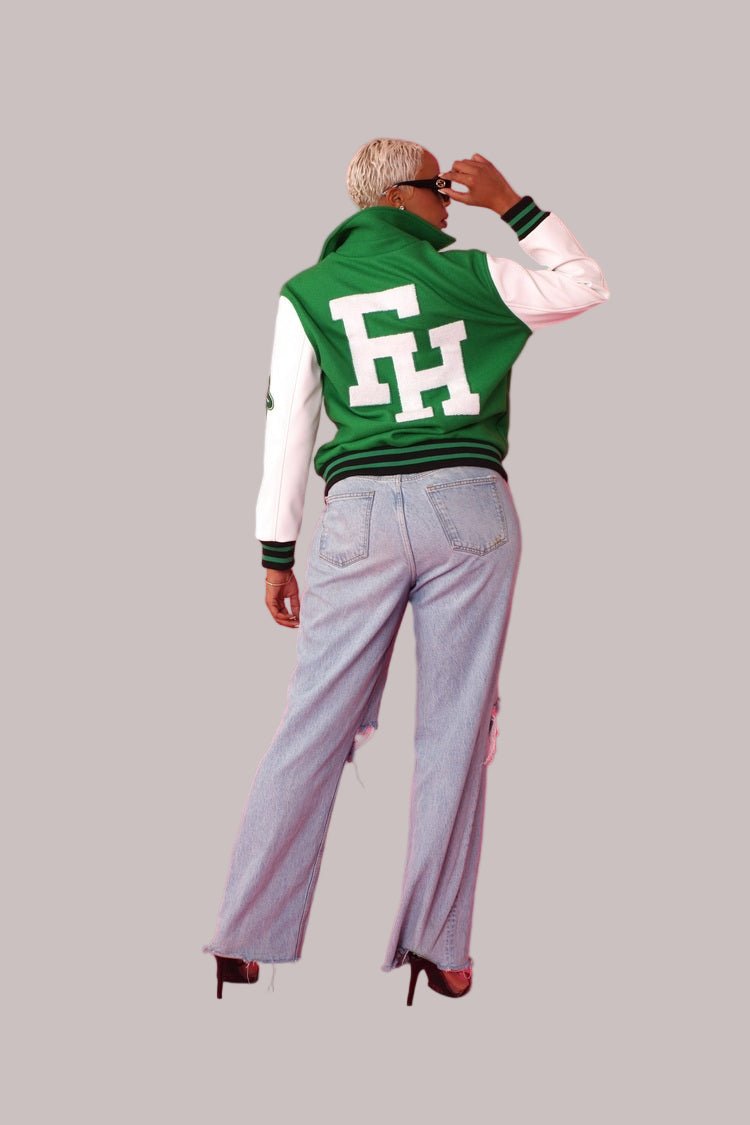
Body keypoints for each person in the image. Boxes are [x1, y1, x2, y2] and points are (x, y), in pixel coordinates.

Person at [202, 139, 610, 1005]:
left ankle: (243, 936)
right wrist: (513, 203)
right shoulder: (472, 272)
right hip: (468, 504)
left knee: (312, 723)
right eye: (439, 186)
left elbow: (287, 423)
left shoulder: (306, 292)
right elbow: (584, 285)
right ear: (398, 194)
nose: (451, 200)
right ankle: (439, 945)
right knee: (456, 727)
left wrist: (276, 549)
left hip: (355, 515)